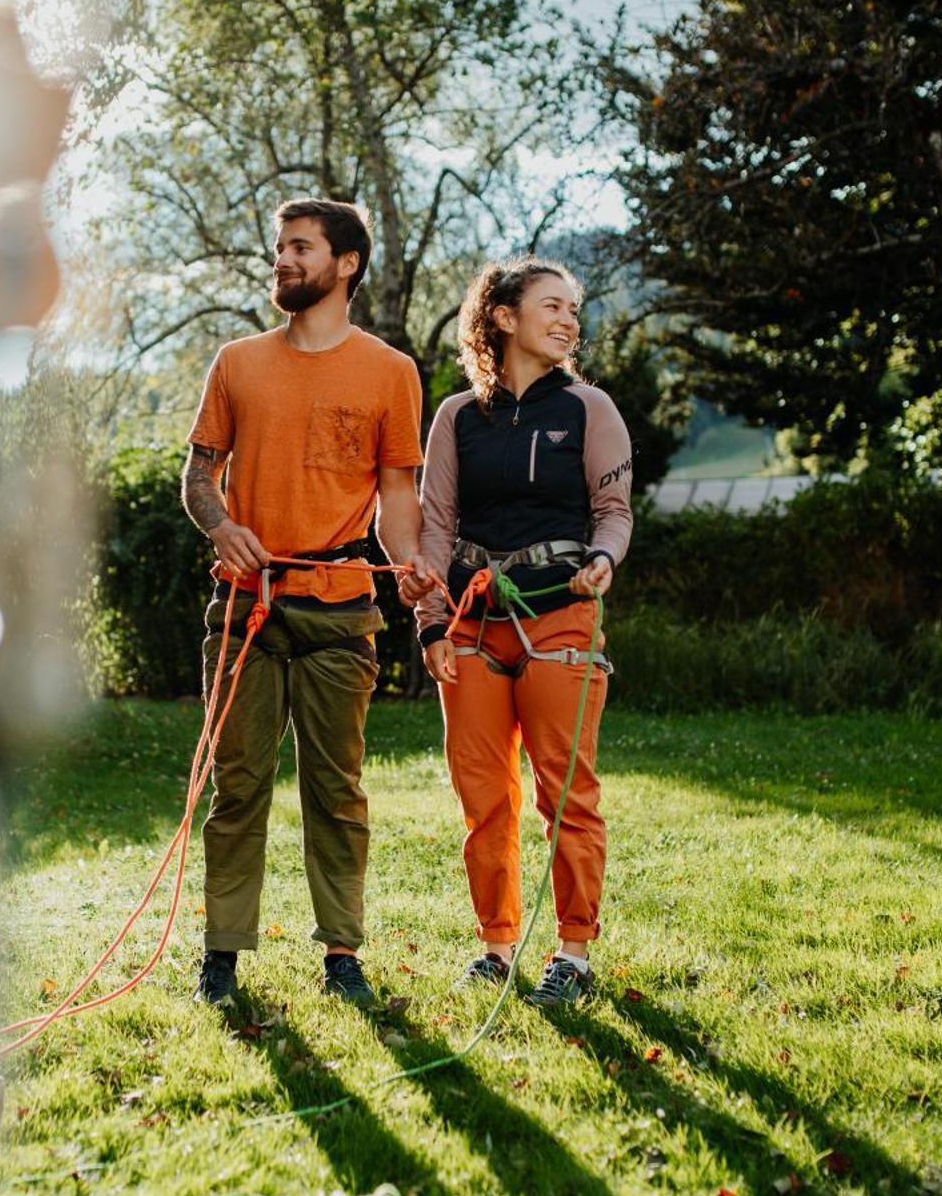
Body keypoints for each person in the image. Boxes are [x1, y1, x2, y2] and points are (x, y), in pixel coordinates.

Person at [181, 198, 424, 1007]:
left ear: (345, 263)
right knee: (238, 785)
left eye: (300, 247)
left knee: (337, 790)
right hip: (246, 606)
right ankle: (221, 955)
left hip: (341, 607)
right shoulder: (237, 362)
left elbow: (395, 495)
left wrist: (412, 561)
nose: (282, 260)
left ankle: (342, 954)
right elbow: (197, 478)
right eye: (279, 247)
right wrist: (222, 528)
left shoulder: (391, 372)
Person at [398, 258, 632, 1008]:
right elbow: (435, 525)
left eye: (574, 310)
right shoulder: (457, 417)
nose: (568, 320)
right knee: (483, 796)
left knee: (566, 793)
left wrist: (603, 559)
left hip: (560, 613)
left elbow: (614, 512)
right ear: (501, 317)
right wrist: (428, 618)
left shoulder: (590, 408)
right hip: (471, 624)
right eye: (552, 306)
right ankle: (496, 947)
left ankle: (573, 952)